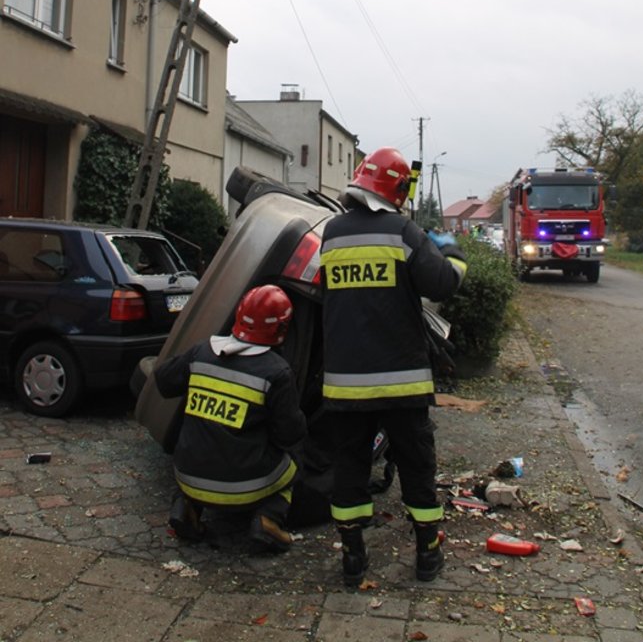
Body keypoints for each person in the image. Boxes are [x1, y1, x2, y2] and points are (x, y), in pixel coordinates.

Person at [319, 147, 467, 587]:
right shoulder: (402, 232)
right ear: (397, 190)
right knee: (417, 467)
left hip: (345, 386)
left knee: (348, 469)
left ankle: (352, 559)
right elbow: (441, 282)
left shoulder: (331, 234)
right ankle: (426, 555)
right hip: (401, 384)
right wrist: (452, 252)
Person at [154, 284, 306, 554]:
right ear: (282, 328)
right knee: (295, 458)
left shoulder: (201, 352)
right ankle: (269, 517)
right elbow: (289, 434)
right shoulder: (277, 372)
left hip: (186, 476)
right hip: (246, 488)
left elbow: (164, 381)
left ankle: (185, 506)